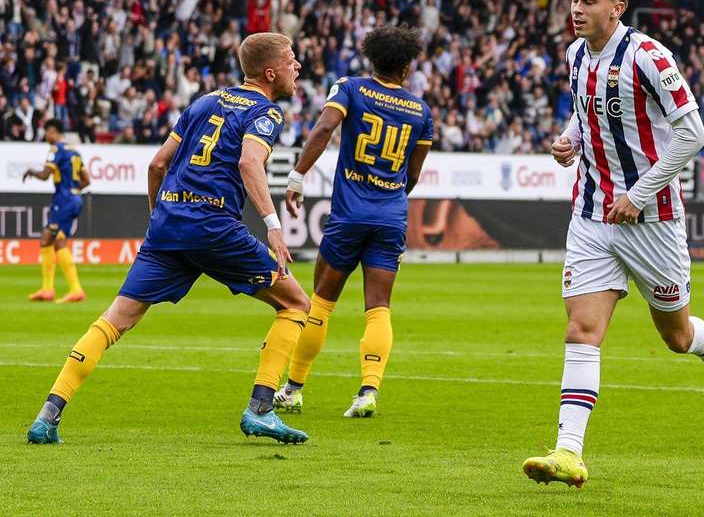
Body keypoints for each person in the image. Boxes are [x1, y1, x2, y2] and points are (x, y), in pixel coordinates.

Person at [27, 33, 311, 445]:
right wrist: (273, 224)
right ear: (270, 72)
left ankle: (47, 416)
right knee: (296, 303)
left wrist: (158, 218)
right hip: (215, 225)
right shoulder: (266, 112)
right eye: (291, 59)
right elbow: (250, 161)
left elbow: (158, 163)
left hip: (169, 224)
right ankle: (262, 410)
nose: (297, 66)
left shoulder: (204, 102)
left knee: (115, 319)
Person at [521, 0, 704, 488]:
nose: (575, 9)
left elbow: (693, 135)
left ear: (616, 7)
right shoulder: (576, 53)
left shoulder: (650, 57)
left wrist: (640, 195)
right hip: (592, 214)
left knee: (675, 334)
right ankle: (568, 452)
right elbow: (585, 106)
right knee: (582, 329)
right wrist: (571, 140)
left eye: (587, 1)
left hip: (652, 221)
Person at [273, 25, 432, 418]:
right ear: (407, 68)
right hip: (391, 214)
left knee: (322, 303)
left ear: (372, 58)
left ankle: (293, 389)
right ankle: (368, 391)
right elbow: (413, 175)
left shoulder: (351, 88)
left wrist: (297, 176)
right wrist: (389, 193)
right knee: (379, 306)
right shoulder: (421, 112)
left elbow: (325, 128)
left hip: (349, 213)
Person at [22, 118, 89, 303]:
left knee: (46, 239)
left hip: (63, 200)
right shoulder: (74, 151)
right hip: (74, 199)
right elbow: (86, 180)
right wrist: (74, 191)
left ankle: (53, 289)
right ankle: (61, 290)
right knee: (58, 241)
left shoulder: (56, 149)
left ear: (53, 131)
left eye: (47, 132)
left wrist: (30, 171)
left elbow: (44, 176)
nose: (46, 136)